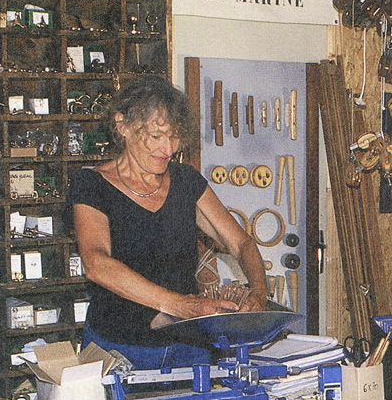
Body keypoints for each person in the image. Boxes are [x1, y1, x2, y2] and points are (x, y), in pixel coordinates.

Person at [67, 75, 268, 369]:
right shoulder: (91, 185)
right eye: (156, 137)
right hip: (118, 349)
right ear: (122, 125)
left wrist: (259, 291)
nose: (168, 149)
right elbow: (97, 264)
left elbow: (240, 242)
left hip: (188, 347)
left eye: (174, 136)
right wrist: (179, 304)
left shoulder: (186, 181)